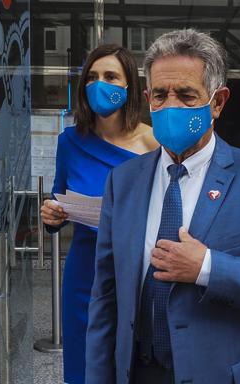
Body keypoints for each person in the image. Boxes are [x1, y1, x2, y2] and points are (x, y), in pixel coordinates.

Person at [85, 29, 240, 384]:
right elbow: (106, 295)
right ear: (147, 98)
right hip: (138, 371)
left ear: (217, 102)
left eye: (187, 95)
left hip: (221, 374)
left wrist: (208, 267)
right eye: (160, 95)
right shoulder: (123, 181)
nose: (170, 105)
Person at [40, 44, 158, 384]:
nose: (99, 84)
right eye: (92, 77)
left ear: (128, 86)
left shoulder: (153, 142)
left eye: (110, 76)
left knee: (131, 356)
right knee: (82, 358)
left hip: (135, 267)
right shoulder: (69, 141)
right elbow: (57, 197)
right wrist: (51, 216)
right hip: (84, 267)